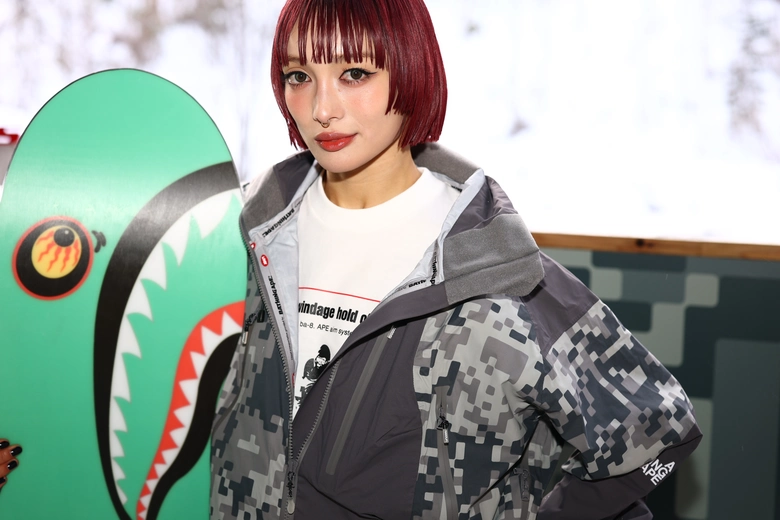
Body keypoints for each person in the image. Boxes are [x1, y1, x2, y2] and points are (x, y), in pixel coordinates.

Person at [210, 0, 702, 518]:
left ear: (411, 68)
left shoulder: (491, 267)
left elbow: (658, 433)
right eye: (299, 76)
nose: (321, 108)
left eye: (354, 73)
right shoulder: (246, 231)